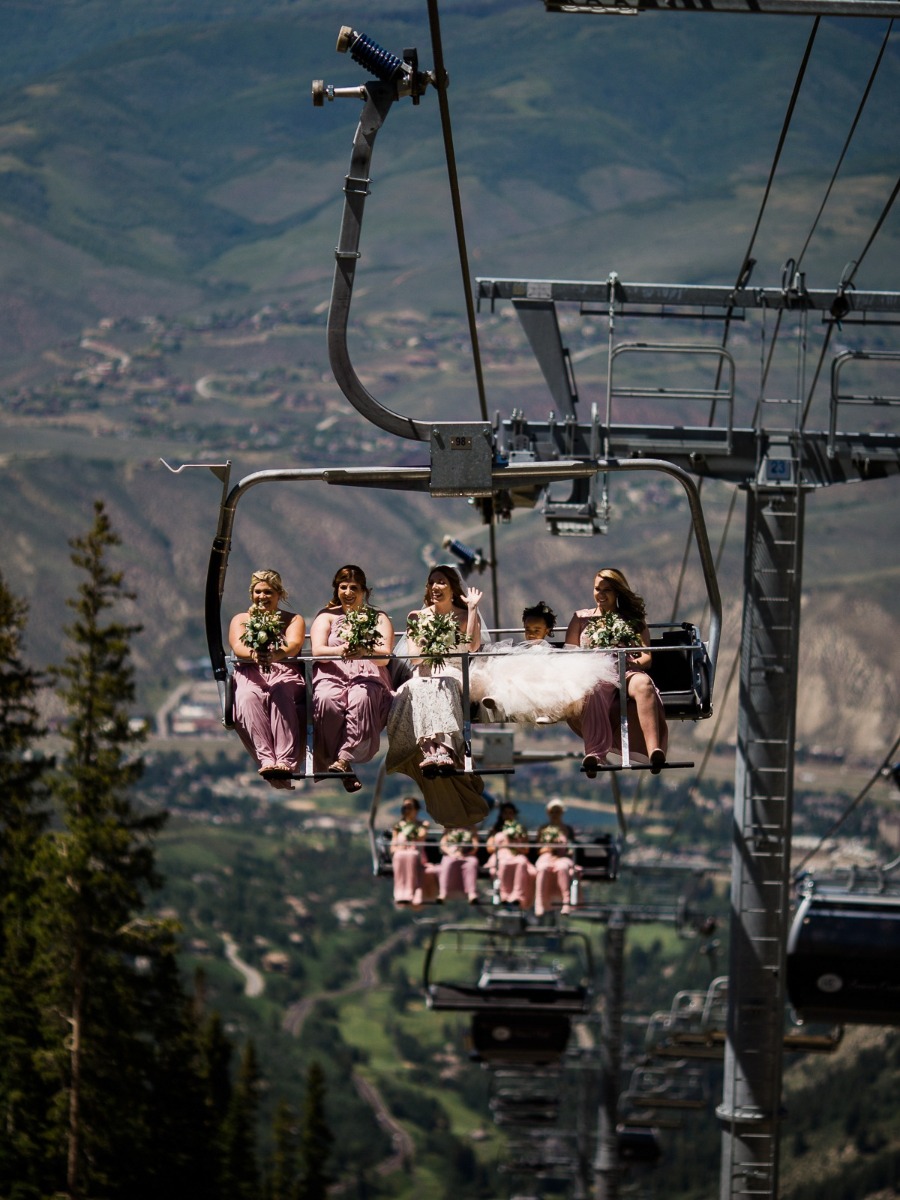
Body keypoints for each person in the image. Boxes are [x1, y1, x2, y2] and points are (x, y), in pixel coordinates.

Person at [386, 565, 490, 830]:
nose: (434, 587)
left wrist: (473, 609)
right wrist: (429, 643)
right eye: (431, 582)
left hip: (454, 672)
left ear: (453, 588)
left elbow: (472, 646)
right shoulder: (417, 617)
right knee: (419, 686)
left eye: (441, 582)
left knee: (441, 683)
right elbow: (415, 657)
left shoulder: (463, 615)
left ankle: (444, 749)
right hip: (424, 672)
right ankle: (430, 750)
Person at [564, 567, 668, 777]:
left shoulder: (631, 619)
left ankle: (654, 750)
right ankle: (595, 753)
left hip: (626, 669)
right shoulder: (581, 618)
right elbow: (570, 653)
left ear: (617, 592)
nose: (601, 595)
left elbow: (647, 656)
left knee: (644, 685)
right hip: (595, 672)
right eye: (597, 589)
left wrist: (628, 659)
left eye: (607, 590)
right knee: (594, 689)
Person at [310, 565, 394, 793]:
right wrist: (342, 649)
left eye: (353, 587)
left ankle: (344, 759)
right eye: (343, 587)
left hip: (367, 673)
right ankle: (340, 762)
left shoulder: (378, 617)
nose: (348, 592)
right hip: (333, 673)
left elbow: (385, 655)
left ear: (364, 591)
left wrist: (364, 651)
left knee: (362, 698)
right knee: (327, 700)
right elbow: (317, 650)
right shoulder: (326, 616)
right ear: (336, 589)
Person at [470, 600, 617, 725]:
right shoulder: (520, 649)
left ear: (547, 630)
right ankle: (497, 700)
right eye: (528, 629)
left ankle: (548, 712)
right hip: (523, 664)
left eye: (536, 629)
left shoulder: (548, 651)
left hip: (539, 670)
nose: (531, 633)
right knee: (505, 672)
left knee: (547, 684)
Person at [228, 569, 306, 789]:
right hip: (250, 672)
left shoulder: (292, 619)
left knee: (280, 691)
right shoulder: (242, 619)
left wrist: (275, 655)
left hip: (284, 671)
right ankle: (266, 758)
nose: (262, 597)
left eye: (268, 592)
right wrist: (255, 655)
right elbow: (238, 645)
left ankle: (285, 759)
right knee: (246, 697)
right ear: (251, 594)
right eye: (258, 592)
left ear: (278, 594)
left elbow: (294, 645)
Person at [534, 799, 578, 917]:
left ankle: (566, 902)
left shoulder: (567, 829)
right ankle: (539, 902)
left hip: (562, 857)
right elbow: (538, 849)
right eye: (553, 811)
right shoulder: (543, 828)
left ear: (561, 812)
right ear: (549, 813)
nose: (555, 814)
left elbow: (571, 848)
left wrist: (561, 849)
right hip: (546, 856)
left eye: (557, 811)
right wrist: (549, 848)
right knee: (543, 868)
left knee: (563, 868)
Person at [486, 810, 535, 909]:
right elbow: (489, 848)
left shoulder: (520, 830)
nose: (508, 815)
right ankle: (504, 895)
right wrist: (504, 845)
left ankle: (518, 896)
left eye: (510, 813)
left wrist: (516, 845)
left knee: (522, 864)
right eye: (506, 812)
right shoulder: (495, 830)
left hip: (516, 855)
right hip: (500, 856)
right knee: (503, 864)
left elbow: (526, 849)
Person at [390, 796, 433, 907]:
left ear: (416, 809)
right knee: (399, 857)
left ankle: (412, 891)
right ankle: (400, 893)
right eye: (405, 807)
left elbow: (421, 837)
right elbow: (393, 843)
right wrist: (396, 848)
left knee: (411, 857)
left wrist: (411, 827)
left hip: (415, 851)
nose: (407, 809)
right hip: (401, 852)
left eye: (410, 807)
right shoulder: (398, 826)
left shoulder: (422, 824)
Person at [436, 827, 480, 904]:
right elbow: (443, 844)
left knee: (472, 863)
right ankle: (443, 893)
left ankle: (471, 893)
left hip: (467, 854)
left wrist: (466, 854)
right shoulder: (448, 827)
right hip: (450, 854)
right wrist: (451, 853)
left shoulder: (472, 828)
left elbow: (475, 845)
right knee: (446, 864)